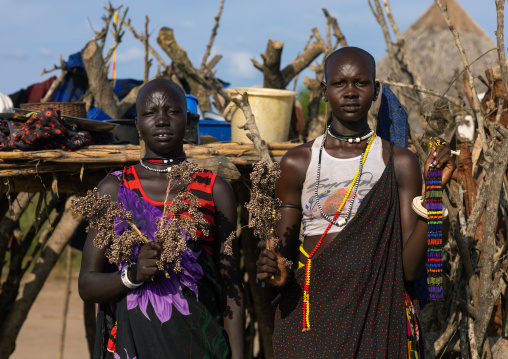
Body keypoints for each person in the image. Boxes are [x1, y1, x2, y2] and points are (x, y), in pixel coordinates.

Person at [256, 47, 456, 358]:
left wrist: (433, 195)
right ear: (324, 91)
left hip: (377, 319)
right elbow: (283, 255)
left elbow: (410, 268)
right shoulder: (297, 162)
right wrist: (275, 271)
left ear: (376, 91)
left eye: (361, 83)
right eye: (340, 84)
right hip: (310, 321)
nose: (350, 92)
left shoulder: (398, 162)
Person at [79, 78, 244, 359]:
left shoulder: (214, 189)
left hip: (200, 345)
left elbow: (232, 289)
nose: (162, 120)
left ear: (189, 119)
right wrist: (133, 275)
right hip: (133, 347)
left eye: (172, 111)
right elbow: (87, 284)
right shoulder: (115, 189)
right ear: (137, 123)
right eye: (150, 113)